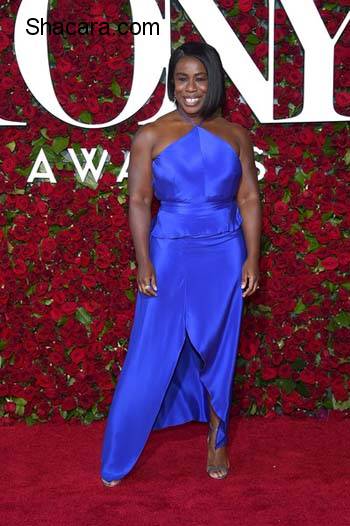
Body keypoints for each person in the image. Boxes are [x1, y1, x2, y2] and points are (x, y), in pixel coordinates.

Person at [100, 41, 261, 486]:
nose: (191, 88)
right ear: (172, 84)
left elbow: (247, 197)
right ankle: (121, 448)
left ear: (214, 83)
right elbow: (138, 200)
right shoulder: (149, 135)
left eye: (200, 78)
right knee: (149, 350)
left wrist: (253, 257)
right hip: (169, 251)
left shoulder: (235, 134)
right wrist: (143, 262)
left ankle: (217, 435)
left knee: (218, 350)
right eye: (182, 79)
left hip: (225, 254)